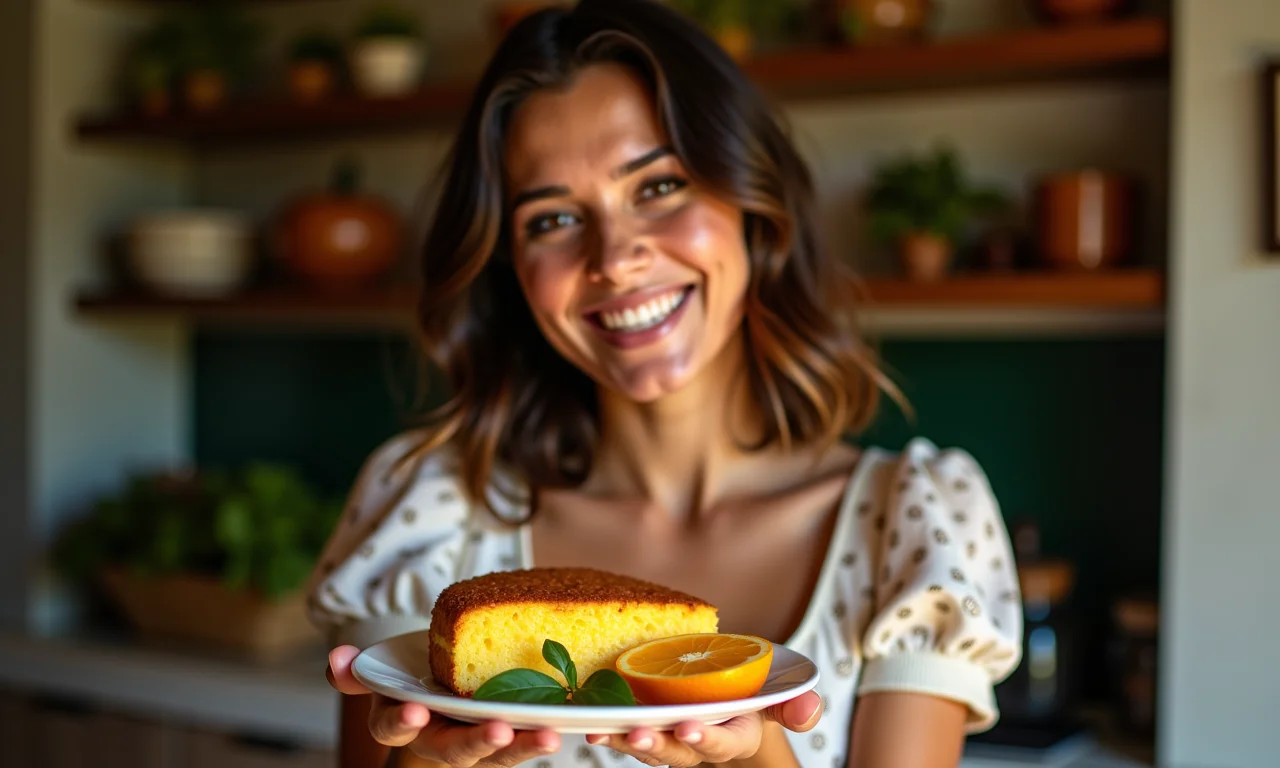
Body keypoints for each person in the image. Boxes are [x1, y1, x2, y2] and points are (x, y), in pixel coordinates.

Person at [309, 1, 1023, 766]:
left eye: (658, 186)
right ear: (510, 269)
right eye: (552, 220)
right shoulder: (427, 510)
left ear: (750, 199)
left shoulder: (911, 527)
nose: (615, 259)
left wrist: (758, 759)